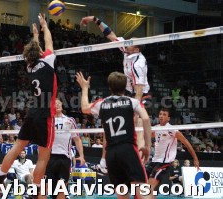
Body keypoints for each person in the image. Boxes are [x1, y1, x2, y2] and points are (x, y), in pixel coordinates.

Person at [0, 13, 57, 199]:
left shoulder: (29, 66)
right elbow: (49, 42)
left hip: (32, 113)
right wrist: (44, 27)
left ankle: (0, 179)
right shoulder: (48, 61)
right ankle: (35, 190)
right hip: (46, 114)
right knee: (43, 156)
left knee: (17, 147)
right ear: (40, 53)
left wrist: (35, 36)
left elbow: (34, 49)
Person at [80, 15, 150, 168]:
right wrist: (94, 19)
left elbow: (139, 91)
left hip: (140, 94)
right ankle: (104, 164)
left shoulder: (139, 64)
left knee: (136, 128)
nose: (127, 42)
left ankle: (139, 163)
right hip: (127, 91)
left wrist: (134, 111)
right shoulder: (127, 48)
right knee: (109, 122)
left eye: (130, 42)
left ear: (136, 49)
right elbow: (110, 34)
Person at [76, 71, 151, 199]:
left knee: (121, 193)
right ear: (125, 86)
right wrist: (147, 146)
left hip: (111, 153)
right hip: (128, 149)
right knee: (143, 190)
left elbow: (84, 107)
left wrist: (84, 88)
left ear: (109, 87)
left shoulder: (101, 103)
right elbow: (145, 119)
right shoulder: (132, 102)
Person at [148, 108, 199, 198]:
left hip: (164, 163)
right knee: (145, 187)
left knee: (149, 188)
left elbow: (187, 143)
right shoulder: (156, 128)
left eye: (164, 114)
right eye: (160, 114)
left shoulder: (172, 130)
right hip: (154, 161)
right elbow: (147, 135)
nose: (161, 116)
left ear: (168, 118)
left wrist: (195, 159)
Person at [40, 99, 85, 199]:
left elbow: (77, 140)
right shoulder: (47, 121)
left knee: (61, 188)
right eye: (55, 104)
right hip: (50, 158)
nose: (57, 105)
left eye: (59, 103)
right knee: (45, 187)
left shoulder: (70, 120)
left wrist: (81, 156)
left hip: (65, 159)